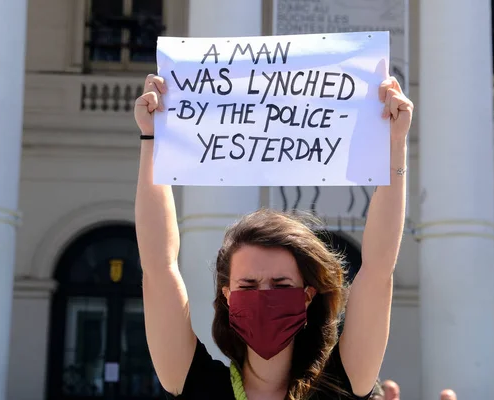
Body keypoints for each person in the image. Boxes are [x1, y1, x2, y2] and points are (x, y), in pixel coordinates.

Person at [134, 72, 413, 399]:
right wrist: (152, 140)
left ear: (308, 295)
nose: (264, 296)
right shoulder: (200, 385)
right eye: (248, 286)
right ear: (226, 295)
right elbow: (159, 268)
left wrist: (395, 145)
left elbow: (378, 270)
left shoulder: (340, 384)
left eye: (281, 285)